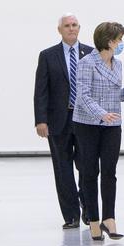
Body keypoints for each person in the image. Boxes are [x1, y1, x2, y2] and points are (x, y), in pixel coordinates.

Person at [73, 21, 124, 242]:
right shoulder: (86, 63)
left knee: (110, 171)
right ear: (109, 41)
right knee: (90, 173)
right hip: (87, 124)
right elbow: (83, 96)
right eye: (119, 40)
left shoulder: (117, 64)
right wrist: (101, 114)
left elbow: (112, 94)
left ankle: (109, 218)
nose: (121, 44)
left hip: (112, 125)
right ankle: (93, 221)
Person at [33, 14, 94, 229]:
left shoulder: (91, 53)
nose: (71, 29)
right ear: (59, 30)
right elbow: (41, 91)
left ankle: (88, 208)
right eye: (66, 26)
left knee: (87, 167)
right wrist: (41, 120)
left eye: (74, 25)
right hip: (59, 119)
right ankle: (71, 215)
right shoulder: (48, 56)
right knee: (63, 168)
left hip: (86, 119)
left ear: (80, 27)